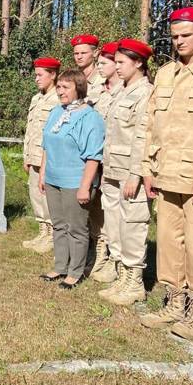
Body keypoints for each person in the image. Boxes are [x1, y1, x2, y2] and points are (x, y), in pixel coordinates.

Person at [139, 7, 193, 340]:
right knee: (168, 244)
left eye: (186, 35)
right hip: (167, 176)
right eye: (174, 36)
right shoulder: (164, 75)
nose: (179, 42)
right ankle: (174, 303)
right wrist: (148, 168)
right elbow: (151, 127)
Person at [97, 39, 155, 305]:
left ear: (139, 63)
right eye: (116, 62)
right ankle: (120, 275)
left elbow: (143, 137)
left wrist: (136, 174)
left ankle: (134, 282)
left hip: (130, 173)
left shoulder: (146, 93)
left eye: (121, 62)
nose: (116, 67)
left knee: (132, 224)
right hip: (112, 168)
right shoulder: (120, 91)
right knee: (114, 222)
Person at [38, 69, 106, 289]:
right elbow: (47, 145)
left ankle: (75, 272)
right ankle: (60, 266)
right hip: (53, 178)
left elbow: (93, 155)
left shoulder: (90, 117)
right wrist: (42, 174)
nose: (60, 91)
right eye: (58, 87)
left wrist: (85, 187)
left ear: (79, 87)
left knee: (75, 228)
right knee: (58, 225)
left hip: (75, 181)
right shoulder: (56, 112)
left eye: (65, 87)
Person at [71, 34, 107, 276]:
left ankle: (99, 255)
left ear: (95, 52)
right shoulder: (73, 79)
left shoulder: (104, 81)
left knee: (97, 209)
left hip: (97, 153)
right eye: (76, 53)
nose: (79, 56)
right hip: (75, 155)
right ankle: (83, 253)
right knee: (80, 208)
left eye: (84, 52)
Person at [87, 42, 123, 283]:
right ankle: (98, 250)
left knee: (113, 213)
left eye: (104, 63)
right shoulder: (98, 90)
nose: (99, 66)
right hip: (95, 158)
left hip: (114, 160)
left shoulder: (123, 91)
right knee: (95, 209)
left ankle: (112, 259)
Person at [22, 57, 61, 253]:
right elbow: (30, 130)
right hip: (34, 155)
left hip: (48, 157)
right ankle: (42, 231)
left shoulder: (58, 99)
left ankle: (52, 234)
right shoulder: (37, 98)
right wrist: (26, 155)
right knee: (35, 195)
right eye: (35, 74)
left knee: (47, 196)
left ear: (52, 75)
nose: (36, 79)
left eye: (40, 75)